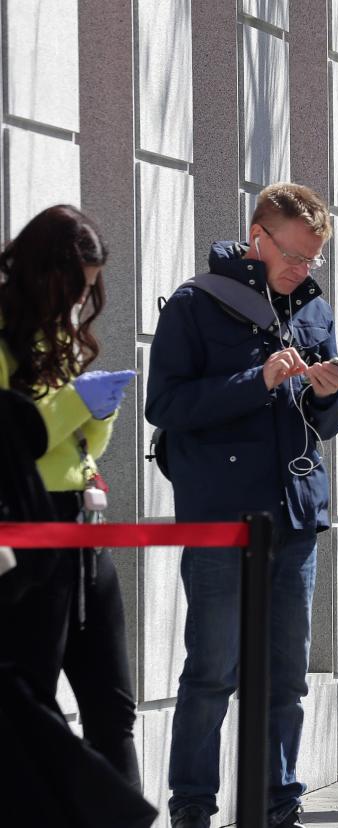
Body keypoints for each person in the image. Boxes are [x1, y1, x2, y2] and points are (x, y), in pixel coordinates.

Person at [147, 183, 338, 828]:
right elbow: (166, 406)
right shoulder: (195, 304)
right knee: (213, 670)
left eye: (313, 259)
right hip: (221, 516)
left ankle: (278, 804)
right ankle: (193, 807)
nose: (302, 270)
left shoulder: (311, 308)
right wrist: (255, 381)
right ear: (257, 238)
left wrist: (325, 395)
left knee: (287, 677)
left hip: (292, 515)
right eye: (293, 256)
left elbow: (330, 423)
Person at [0, 205, 145, 789]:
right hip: (33, 529)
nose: (79, 305)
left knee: (114, 708)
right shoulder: (7, 340)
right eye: (74, 290)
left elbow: (81, 445)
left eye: (88, 291)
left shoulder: (59, 333)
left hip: (87, 524)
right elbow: (19, 440)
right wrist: (78, 405)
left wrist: (99, 412)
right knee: (33, 699)